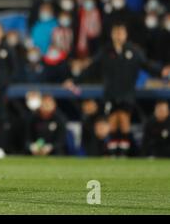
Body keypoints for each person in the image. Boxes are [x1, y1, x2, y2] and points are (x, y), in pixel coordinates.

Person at [64, 21, 170, 156]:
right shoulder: (105, 52)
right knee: (112, 122)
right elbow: (91, 68)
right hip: (111, 93)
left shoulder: (133, 51)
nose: (119, 35)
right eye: (116, 32)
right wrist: (74, 81)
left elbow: (147, 65)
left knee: (124, 120)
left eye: (121, 32)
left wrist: (162, 72)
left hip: (127, 94)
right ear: (112, 34)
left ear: (126, 35)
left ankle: (123, 153)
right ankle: (113, 153)